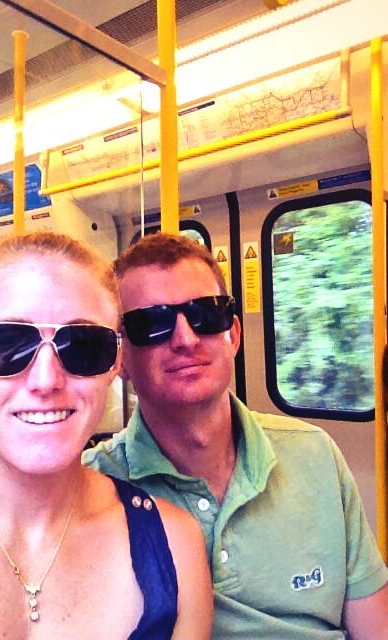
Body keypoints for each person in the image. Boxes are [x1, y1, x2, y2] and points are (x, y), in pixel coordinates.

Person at [83, 232, 388, 640]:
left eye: (205, 314)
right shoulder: (88, 488)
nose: (185, 339)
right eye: (152, 324)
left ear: (235, 334)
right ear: (121, 359)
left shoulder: (315, 454)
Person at [0, 232, 212, 639]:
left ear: (115, 363)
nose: (46, 380)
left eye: (83, 345)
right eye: (6, 344)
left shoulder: (176, 547)